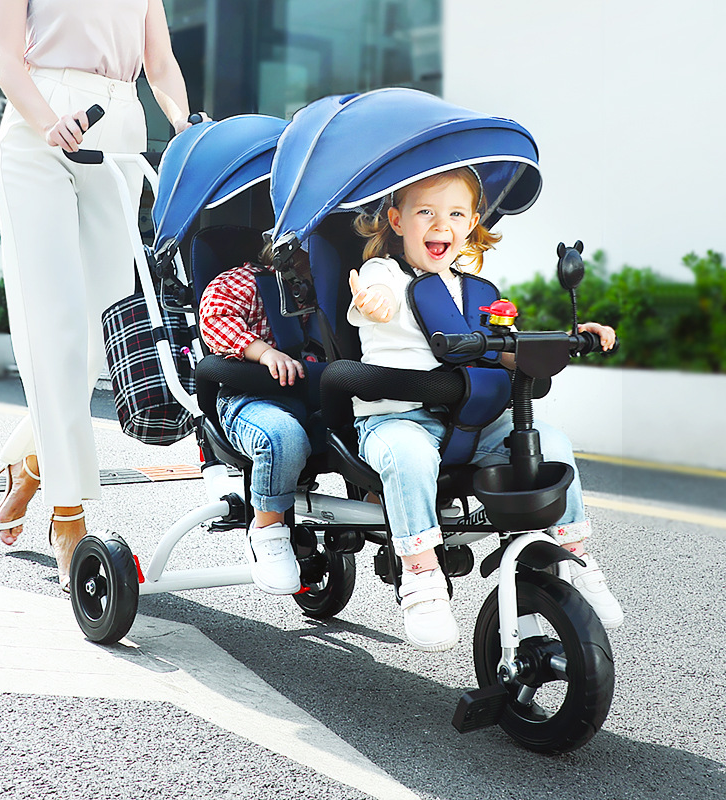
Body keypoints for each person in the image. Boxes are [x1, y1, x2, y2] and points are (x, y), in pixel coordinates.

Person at [348, 166, 624, 652]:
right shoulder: (383, 275)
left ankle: (572, 554)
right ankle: (421, 575)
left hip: (472, 420)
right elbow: (383, 302)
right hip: (398, 416)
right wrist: (372, 304)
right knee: (407, 456)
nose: (441, 225)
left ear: (472, 222)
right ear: (396, 220)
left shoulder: (476, 290)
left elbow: (506, 349)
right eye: (425, 212)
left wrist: (572, 338)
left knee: (552, 442)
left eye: (455, 213)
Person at [0, 0, 194, 592]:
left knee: (105, 330)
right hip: (39, 127)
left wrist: (184, 127)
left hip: (121, 124)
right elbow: (8, 60)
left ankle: (30, 460)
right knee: (52, 325)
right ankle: (69, 513)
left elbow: (160, 62)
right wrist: (46, 119)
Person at [197, 252, 318, 595]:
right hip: (248, 397)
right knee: (283, 437)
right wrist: (262, 351)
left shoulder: (326, 286)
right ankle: (267, 529)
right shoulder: (249, 281)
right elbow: (216, 316)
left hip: (311, 396)